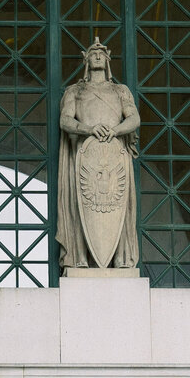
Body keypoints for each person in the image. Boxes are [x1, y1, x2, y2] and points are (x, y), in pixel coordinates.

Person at [57, 37, 140, 270]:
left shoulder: (120, 90)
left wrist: (115, 131)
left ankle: (121, 258)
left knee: (117, 205)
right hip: (86, 159)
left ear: (107, 60)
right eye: (93, 53)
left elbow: (134, 118)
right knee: (81, 206)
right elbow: (65, 119)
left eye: (101, 53)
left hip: (114, 157)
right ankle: (80, 258)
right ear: (86, 59)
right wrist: (89, 129)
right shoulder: (76, 91)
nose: (97, 56)